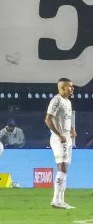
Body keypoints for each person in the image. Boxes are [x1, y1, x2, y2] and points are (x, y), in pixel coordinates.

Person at [46, 78, 76, 210]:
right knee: (62, 167)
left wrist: (71, 130)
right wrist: (60, 135)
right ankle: (55, 200)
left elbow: (65, 119)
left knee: (65, 169)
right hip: (59, 139)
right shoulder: (57, 100)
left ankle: (61, 200)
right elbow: (48, 119)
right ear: (63, 88)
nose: (72, 88)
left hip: (67, 138)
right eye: (70, 86)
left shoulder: (68, 102)